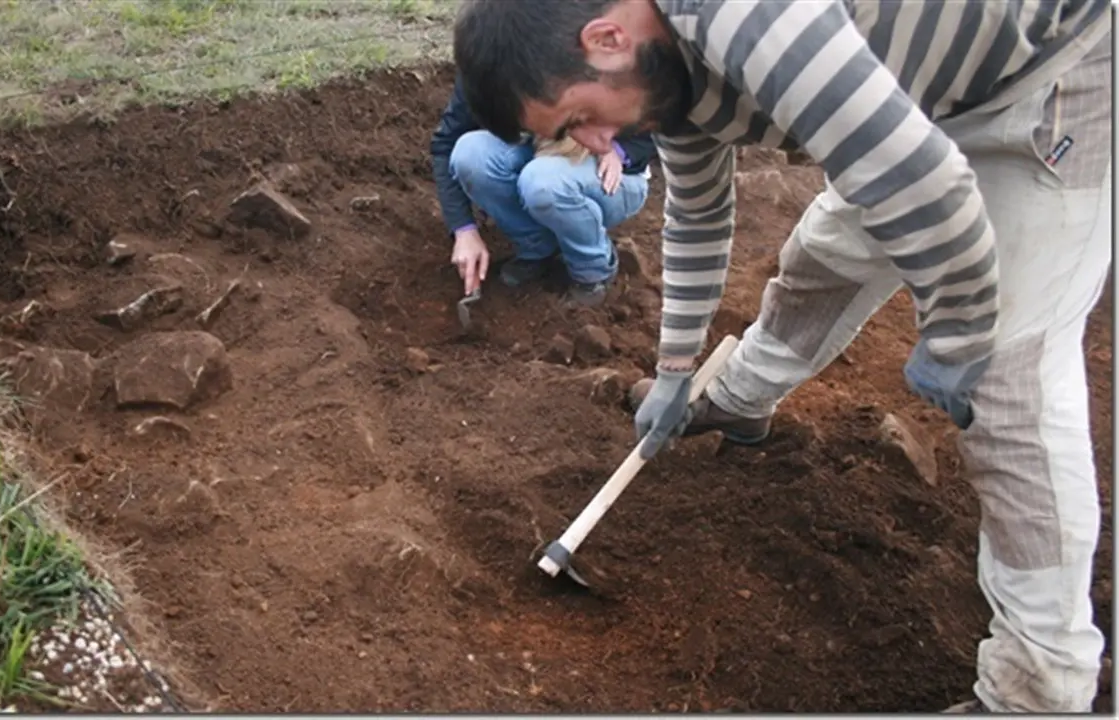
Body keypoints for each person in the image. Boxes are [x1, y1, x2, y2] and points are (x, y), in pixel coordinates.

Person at [451, 0, 1112, 713]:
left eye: (580, 117)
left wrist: (959, 330)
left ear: (607, 38)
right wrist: (675, 371)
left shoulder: (743, 15)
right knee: (825, 258)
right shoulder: (659, 75)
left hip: (1043, 83)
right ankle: (738, 398)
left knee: (1007, 384)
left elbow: (920, 176)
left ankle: (1039, 688)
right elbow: (699, 214)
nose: (595, 140)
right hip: (906, 108)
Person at [430, 74, 659, 306]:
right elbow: (445, 144)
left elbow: (664, 108)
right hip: (537, 151)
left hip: (609, 174)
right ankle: (539, 249)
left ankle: (592, 270)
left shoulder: (591, 57)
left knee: (541, 182)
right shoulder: (482, 70)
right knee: (471, 154)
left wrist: (620, 149)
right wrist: (463, 229)